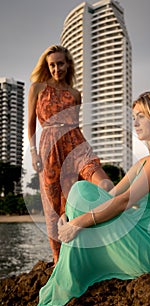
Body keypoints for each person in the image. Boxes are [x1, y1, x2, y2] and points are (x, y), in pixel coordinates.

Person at [36, 91, 150, 306]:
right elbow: (110, 196)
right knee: (82, 192)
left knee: (81, 191)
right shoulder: (144, 162)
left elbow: (125, 200)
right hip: (144, 238)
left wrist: (78, 223)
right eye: (133, 117)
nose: (135, 123)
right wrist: (69, 216)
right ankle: (69, 276)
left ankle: (67, 282)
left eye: (141, 116)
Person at [28, 45, 113, 265]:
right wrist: (33, 152)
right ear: (48, 67)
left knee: (105, 185)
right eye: (52, 65)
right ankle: (60, 259)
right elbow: (30, 124)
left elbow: (75, 123)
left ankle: (111, 237)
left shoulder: (76, 94)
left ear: (68, 64)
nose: (57, 68)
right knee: (55, 205)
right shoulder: (37, 88)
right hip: (49, 147)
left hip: (75, 142)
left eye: (61, 63)